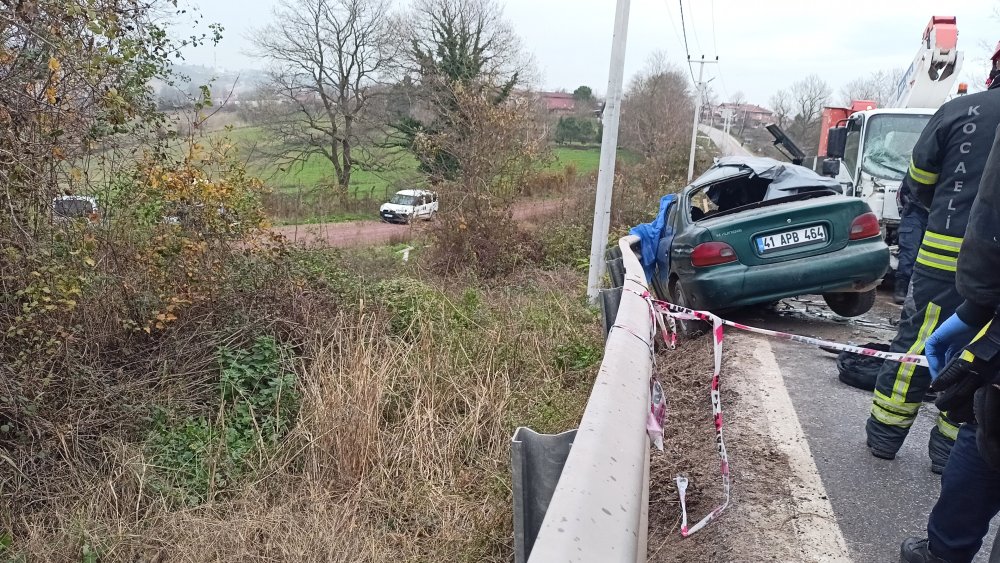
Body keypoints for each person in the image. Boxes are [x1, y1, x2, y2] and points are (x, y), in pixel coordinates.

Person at [867, 49, 1000, 474]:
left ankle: (885, 437)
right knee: (976, 353)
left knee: (920, 342)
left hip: (945, 257)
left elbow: (918, 185)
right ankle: (948, 456)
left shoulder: (960, 111)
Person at [894, 181, 930, 305]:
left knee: (928, 254)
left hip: (934, 213)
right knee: (909, 251)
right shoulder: (921, 165)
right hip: (914, 211)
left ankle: (919, 292)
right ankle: (901, 288)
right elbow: (903, 192)